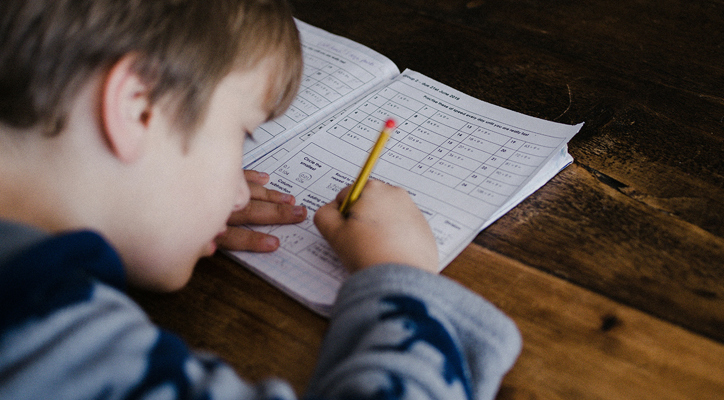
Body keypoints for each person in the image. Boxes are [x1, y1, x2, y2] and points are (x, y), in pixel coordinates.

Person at [0, 0, 521, 399]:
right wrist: (403, 282)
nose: (236, 190)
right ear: (139, 109)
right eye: (242, 135)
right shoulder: (44, 337)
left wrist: (145, 216)